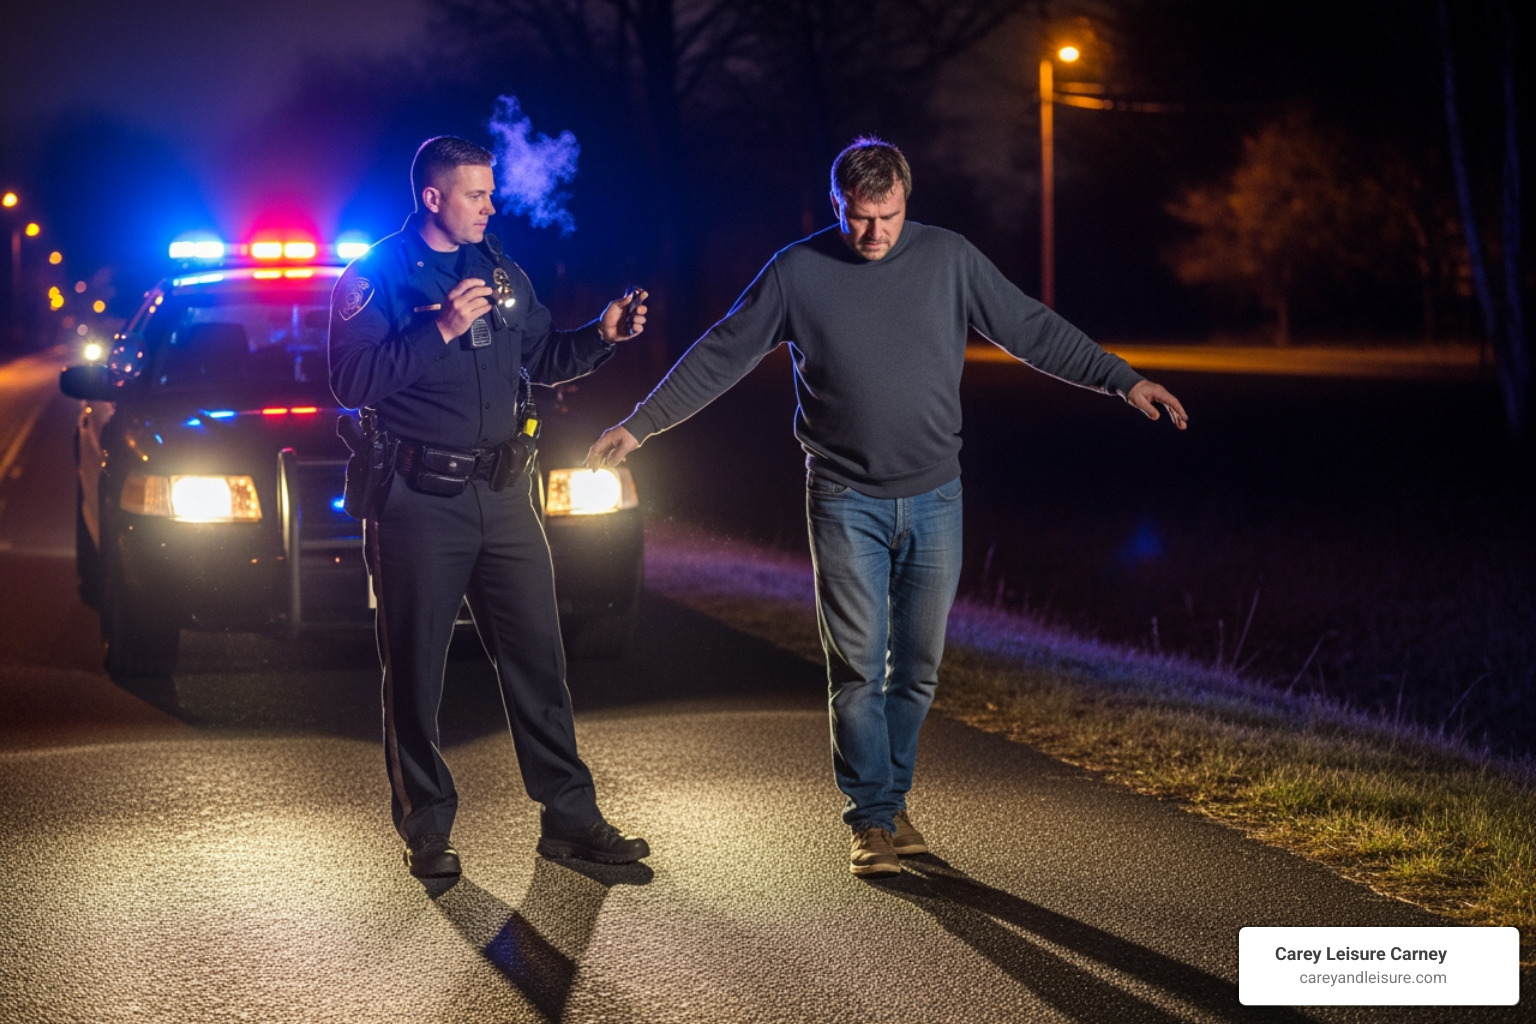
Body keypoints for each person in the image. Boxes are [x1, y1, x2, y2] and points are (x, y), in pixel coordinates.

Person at [587, 137, 1187, 878]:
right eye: (859, 218)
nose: (874, 233)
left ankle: (892, 801)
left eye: (888, 216)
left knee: (919, 669)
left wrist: (1123, 380)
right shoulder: (797, 271)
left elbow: (1031, 329)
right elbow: (722, 352)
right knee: (858, 668)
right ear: (836, 204)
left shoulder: (949, 258)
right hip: (844, 498)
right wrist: (641, 424)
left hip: (936, 496)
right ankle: (870, 819)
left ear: (907, 202)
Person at [330, 135, 650, 879]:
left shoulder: (501, 269)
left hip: (505, 497)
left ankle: (569, 819)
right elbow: (350, 380)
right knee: (416, 671)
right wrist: (437, 329)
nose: (489, 207)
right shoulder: (376, 275)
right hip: (418, 501)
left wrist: (600, 337)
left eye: (491, 193)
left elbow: (543, 357)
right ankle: (427, 829)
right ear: (432, 197)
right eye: (475, 194)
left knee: (540, 660)